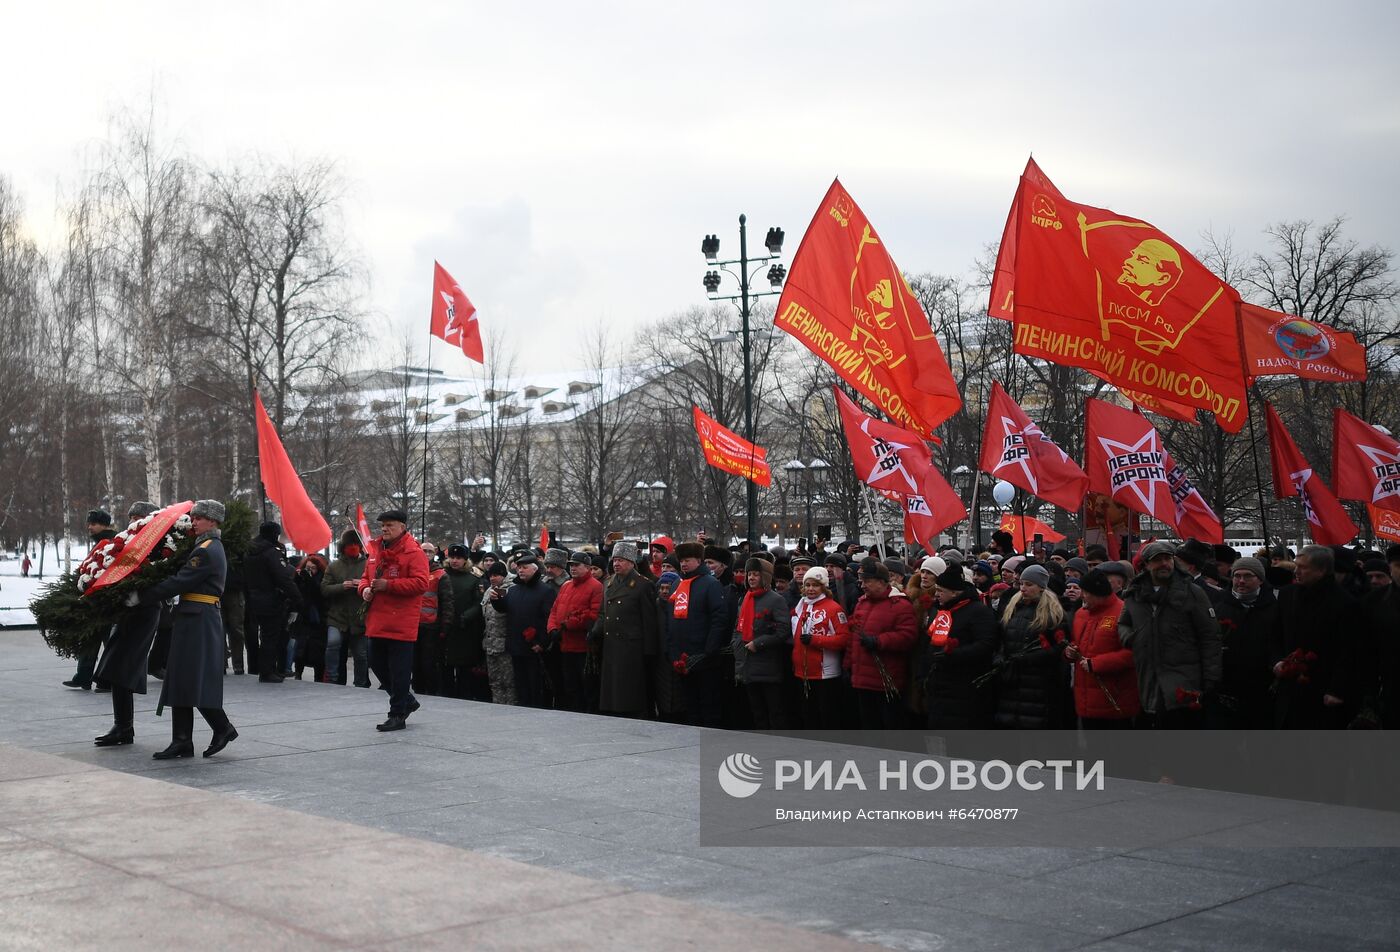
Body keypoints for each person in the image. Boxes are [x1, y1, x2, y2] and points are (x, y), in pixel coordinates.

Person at [133, 499, 237, 760]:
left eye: (199, 518)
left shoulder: (206, 550)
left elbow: (181, 581)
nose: (194, 521)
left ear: (212, 521)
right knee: (181, 677)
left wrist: (143, 594)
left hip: (198, 620)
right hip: (194, 617)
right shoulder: (205, 546)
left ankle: (221, 728)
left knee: (191, 677)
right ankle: (182, 740)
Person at [1117, 540, 1221, 728]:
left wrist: (1210, 679)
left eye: (1168, 558)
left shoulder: (1192, 592)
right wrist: (1131, 638)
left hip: (1183, 682)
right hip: (1147, 680)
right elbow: (1123, 623)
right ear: (1146, 565)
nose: (1164, 563)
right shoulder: (1134, 595)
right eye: (1158, 560)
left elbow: (1210, 637)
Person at [92, 501, 162, 747]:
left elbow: (158, 576)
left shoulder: (157, 546)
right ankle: (123, 726)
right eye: (132, 516)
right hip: (128, 612)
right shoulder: (129, 543)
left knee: (122, 668)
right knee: (116, 669)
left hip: (143, 612)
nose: (133, 521)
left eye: (138, 517)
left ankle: (123, 727)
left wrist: (141, 595)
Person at [359, 509, 431, 731]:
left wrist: (389, 586)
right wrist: (364, 590)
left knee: (400, 670)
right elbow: (365, 578)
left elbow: (421, 584)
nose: (384, 529)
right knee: (377, 663)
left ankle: (397, 713)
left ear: (402, 527)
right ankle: (406, 701)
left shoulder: (414, 553)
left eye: (390, 525)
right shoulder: (375, 550)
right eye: (383, 525)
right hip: (378, 620)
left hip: (401, 621)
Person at [1272, 544, 1358, 729]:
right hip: (1288, 686)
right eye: (1296, 566)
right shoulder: (1287, 595)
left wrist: (1337, 689)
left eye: (1303, 567)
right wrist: (1277, 660)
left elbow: (1349, 650)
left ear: (1322, 570)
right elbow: (1276, 634)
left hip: (1322, 689)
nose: (1296, 571)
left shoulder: (1344, 603)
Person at [917, 563, 998, 729]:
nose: (936, 595)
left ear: (954, 592)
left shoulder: (978, 611)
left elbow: (986, 644)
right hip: (939, 686)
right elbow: (929, 643)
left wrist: (954, 654)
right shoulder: (942, 611)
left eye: (940, 591)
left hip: (965, 687)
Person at [995, 563, 1071, 729]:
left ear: (1041, 587)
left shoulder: (1052, 613)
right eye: (1021, 583)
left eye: (1029, 584)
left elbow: (1058, 647)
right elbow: (1002, 637)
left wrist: (1031, 658)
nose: (1023, 588)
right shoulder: (1013, 607)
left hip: (1038, 683)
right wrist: (1000, 657)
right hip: (1012, 679)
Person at [845, 559, 918, 729]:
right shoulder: (861, 603)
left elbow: (908, 636)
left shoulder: (900, 605)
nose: (862, 585)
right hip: (862, 679)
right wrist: (848, 665)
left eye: (867, 581)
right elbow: (853, 638)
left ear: (882, 582)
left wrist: (879, 641)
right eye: (861, 581)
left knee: (889, 726)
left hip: (886, 680)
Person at [665, 541, 729, 728]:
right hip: (681, 655)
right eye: (681, 560)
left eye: (688, 560)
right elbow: (670, 617)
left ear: (698, 560)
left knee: (708, 702)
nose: (683, 564)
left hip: (703, 655)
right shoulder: (678, 583)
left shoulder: (710, 584)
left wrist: (710, 648)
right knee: (689, 701)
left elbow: (719, 618)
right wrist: (670, 648)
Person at [1066, 569, 1139, 728]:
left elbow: (1134, 653)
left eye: (1086, 592)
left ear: (1098, 593)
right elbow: (1078, 643)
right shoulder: (1080, 614)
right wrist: (1070, 651)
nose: (1082, 596)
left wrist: (1098, 664)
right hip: (1086, 700)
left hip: (1115, 700)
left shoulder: (1123, 612)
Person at [594, 541, 660, 718]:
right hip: (612, 644)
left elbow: (649, 621)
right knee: (613, 689)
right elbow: (603, 612)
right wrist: (595, 632)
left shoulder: (642, 585)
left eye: (621, 560)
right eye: (615, 560)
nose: (616, 564)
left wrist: (649, 651)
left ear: (631, 562)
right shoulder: (609, 583)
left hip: (632, 647)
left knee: (630, 692)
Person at [1213, 557, 1277, 729]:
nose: (1241, 581)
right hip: (1227, 688)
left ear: (1260, 580)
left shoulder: (1275, 609)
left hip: (1262, 688)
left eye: (1248, 576)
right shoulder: (1219, 608)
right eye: (1237, 575)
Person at [489, 552, 557, 708]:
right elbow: (504, 609)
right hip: (516, 645)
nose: (520, 570)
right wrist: (496, 601)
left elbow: (548, 618)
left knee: (535, 685)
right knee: (520, 684)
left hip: (534, 646)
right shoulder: (514, 590)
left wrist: (542, 641)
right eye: (519, 567)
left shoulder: (545, 591)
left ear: (534, 569)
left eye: (524, 567)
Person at [732, 556, 792, 729]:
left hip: (767, 664)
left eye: (756, 574)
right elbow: (738, 626)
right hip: (747, 662)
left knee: (774, 710)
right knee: (756, 710)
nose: (751, 578)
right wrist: (736, 643)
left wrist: (759, 643)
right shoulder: (745, 599)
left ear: (765, 577)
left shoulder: (776, 599)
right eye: (749, 574)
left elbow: (782, 630)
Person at [790, 566, 850, 729]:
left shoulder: (833, 608)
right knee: (808, 716)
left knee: (826, 717)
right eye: (807, 585)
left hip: (825, 674)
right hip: (802, 672)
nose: (810, 589)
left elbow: (844, 639)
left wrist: (815, 640)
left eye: (815, 585)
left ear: (823, 586)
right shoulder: (800, 606)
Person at [64, 509, 117, 690]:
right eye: (89, 523)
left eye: (93, 524)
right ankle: (84, 676)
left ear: (104, 525)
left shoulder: (109, 542)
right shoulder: (100, 541)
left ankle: (108, 680)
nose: (89, 527)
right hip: (94, 599)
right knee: (91, 637)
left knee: (107, 641)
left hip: (104, 599)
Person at [245, 521, 302, 683]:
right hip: (271, 599)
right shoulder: (271, 553)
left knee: (261, 636)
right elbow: (283, 578)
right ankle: (267, 671)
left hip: (252, 599)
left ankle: (260, 668)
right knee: (270, 637)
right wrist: (297, 598)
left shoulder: (249, 551)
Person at [547, 551, 603, 712]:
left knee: (587, 688)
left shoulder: (595, 586)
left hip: (583, 648)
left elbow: (594, 615)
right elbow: (554, 611)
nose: (573, 568)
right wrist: (552, 629)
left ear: (587, 567)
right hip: (565, 646)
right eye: (571, 565)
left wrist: (568, 625)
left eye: (576, 565)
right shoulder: (566, 586)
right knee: (570, 687)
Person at [322, 530, 370, 687]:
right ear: (343, 547)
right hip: (338, 617)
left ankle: (361, 684)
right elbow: (324, 589)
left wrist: (363, 587)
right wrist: (342, 587)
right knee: (332, 644)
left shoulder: (368, 565)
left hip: (360, 618)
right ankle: (331, 680)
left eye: (356, 545)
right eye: (350, 546)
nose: (353, 548)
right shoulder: (334, 566)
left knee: (361, 655)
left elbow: (374, 586)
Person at [441, 543, 486, 700]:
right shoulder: (442, 576)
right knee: (445, 666)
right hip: (444, 628)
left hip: (464, 629)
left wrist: (465, 617)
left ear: (465, 560)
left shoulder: (473, 580)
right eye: (452, 557)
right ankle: (446, 693)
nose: (455, 561)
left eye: (458, 558)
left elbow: (478, 602)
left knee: (464, 667)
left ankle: (464, 694)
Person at [413, 542, 454, 698]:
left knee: (429, 662)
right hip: (414, 624)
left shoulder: (440, 575)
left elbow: (447, 602)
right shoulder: (413, 571)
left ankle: (432, 691)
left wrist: (445, 626)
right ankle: (418, 689)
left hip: (432, 626)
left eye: (430, 551)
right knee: (415, 663)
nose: (427, 554)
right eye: (424, 551)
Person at [480, 562, 516, 704]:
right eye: (491, 575)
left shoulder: (512, 589)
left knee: (509, 681)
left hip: (505, 644)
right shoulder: (489, 591)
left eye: (496, 575)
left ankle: (511, 708)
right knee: (494, 681)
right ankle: (497, 706)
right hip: (490, 643)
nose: (492, 578)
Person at [289, 554, 329, 681]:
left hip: (318, 620)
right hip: (303, 620)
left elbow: (320, 596)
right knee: (300, 650)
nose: (309, 570)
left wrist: (310, 581)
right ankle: (298, 674)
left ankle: (318, 678)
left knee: (317, 652)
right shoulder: (299, 579)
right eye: (307, 567)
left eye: (313, 568)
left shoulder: (322, 580)